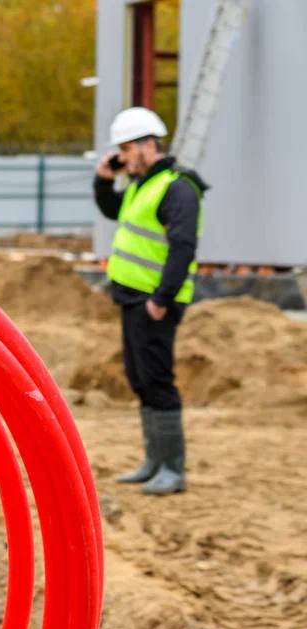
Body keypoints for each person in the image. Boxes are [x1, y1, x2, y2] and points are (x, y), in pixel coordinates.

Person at [95, 106, 208, 495]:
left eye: (126, 149)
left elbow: (183, 247)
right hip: (132, 298)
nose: (122, 157)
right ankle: (154, 462)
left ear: (147, 145)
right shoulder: (142, 184)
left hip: (154, 300)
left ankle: (173, 469)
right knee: (140, 379)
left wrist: (162, 298)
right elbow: (114, 212)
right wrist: (103, 181)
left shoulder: (177, 187)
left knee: (158, 380)